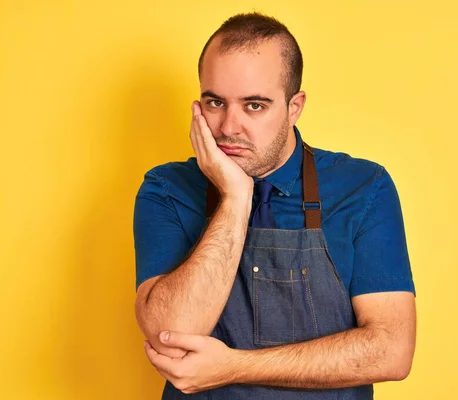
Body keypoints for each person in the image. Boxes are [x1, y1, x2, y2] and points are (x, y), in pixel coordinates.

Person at [133, 12, 416, 399]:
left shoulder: (364, 187)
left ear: (294, 107)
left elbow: (391, 351)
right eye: (215, 102)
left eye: (254, 106)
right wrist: (235, 196)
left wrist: (234, 366)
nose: (229, 127)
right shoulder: (167, 189)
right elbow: (171, 331)